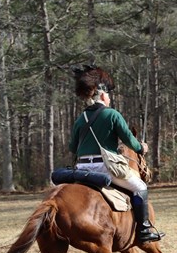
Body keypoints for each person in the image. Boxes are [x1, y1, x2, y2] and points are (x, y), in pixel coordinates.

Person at [68, 65, 164, 243]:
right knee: (140, 188)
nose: (110, 98)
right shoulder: (112, 114)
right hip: (105, 168)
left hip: (81, 169)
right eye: (108, 95)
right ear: (103, 95)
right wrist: (142, 148)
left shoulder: (81, 118)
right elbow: (129, 141)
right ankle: (143, 230)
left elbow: (72, 147)